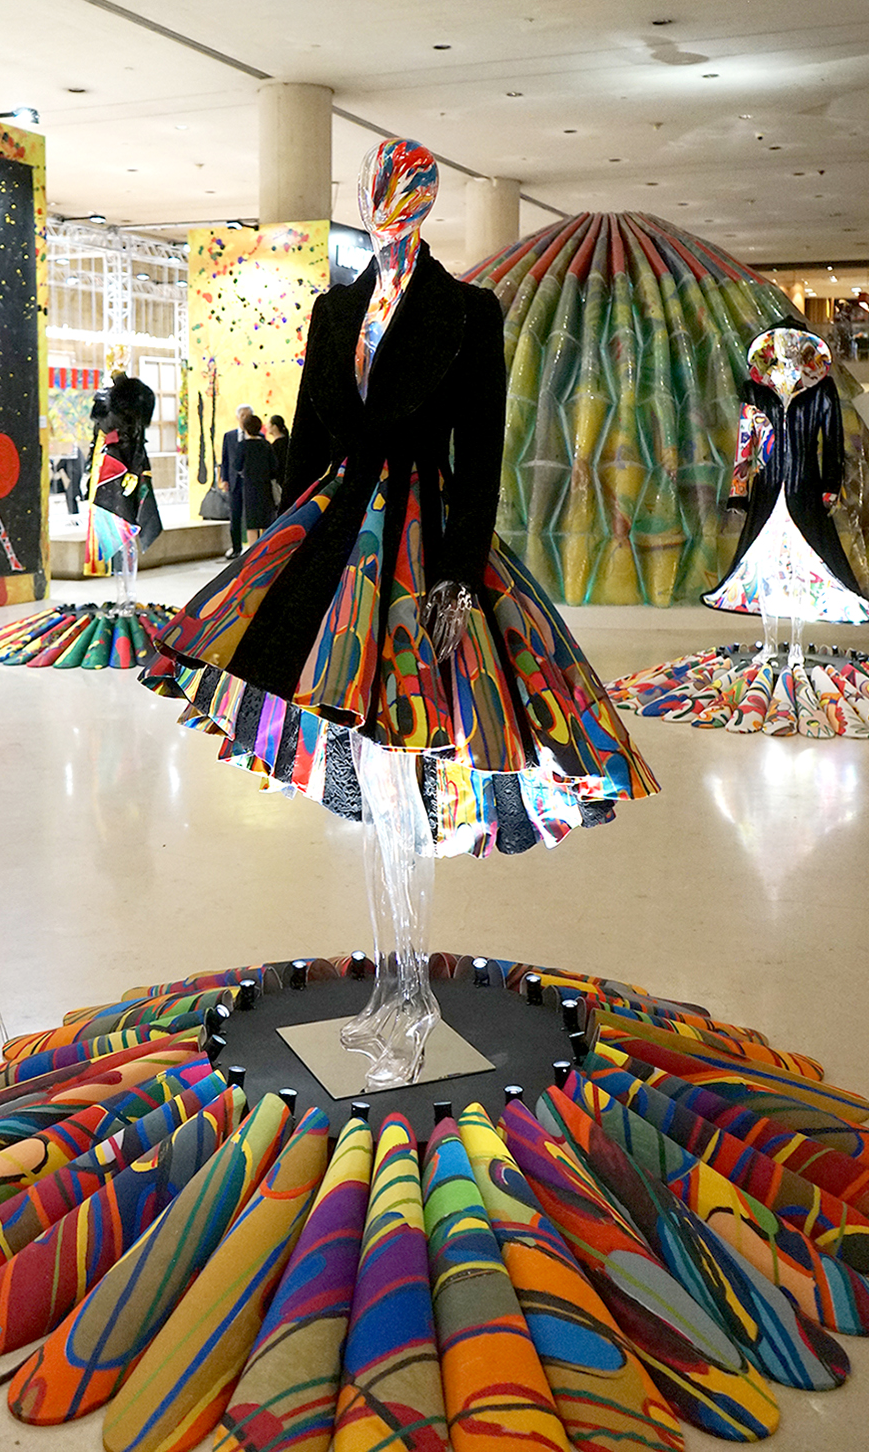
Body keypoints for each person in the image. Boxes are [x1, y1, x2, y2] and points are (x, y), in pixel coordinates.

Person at [144, 138, 657, 1086]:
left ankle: (412, 987)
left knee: (407, 769)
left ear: (426, 200)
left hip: (424, 551)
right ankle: (395, 987)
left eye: (404, 189)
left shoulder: (469, 311)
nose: (387, 203)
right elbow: (309, 441)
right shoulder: (333, 309)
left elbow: (483, 452)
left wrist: (457, 575)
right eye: (377, 189)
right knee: (376, 781)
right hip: (337, 541)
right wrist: (282, 558)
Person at [701, 325, 869, 668]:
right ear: (771, 347)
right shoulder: (756, 391)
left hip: (805, 490)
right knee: (767, 572)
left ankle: (796, 645)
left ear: (804, 347)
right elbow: (746, 442)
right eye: (781, 342)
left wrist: (830, 487)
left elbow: (833, 440)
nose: (788, 347)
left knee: (801, 573)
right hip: (767, 491)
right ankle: (769, 644)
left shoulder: (820, 389)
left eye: (794, 342)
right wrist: (739, 493)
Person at [84, 372, 162, 603]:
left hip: (123, 467)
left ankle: (128, 592)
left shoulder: (132, 401)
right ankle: (124, 592)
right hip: (113, 468)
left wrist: (135, 471)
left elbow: (135, 441)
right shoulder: (118, 401)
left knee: (127, 530)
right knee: (117, 532)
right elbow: (97, 439)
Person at [233, 414, 277, 544]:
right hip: (265, 487)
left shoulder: (243, 446)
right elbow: (274, 467)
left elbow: (236, 465)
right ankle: (266, 549)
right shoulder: (266, 445)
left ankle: (253, 550)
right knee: (266, 521)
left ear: (245, 429)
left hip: (250, 488)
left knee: (252, 523)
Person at [219, 403, 252, 559]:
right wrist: (225, 478)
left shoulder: (258, 436)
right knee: (235, 515)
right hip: (234, 482)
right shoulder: (229, 436)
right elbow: (225, 459)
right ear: (237, 417)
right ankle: (236, 548)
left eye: (248, 416)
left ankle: (253, 547)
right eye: (243, 415)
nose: (245, 418)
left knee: (251, 516)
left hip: (251, 483)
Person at [266, 414, 289, 484]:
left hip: (280, 480)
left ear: (274, 427)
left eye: (269, 424)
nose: (266, 427)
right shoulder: (288, 441)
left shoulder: (275, 446)